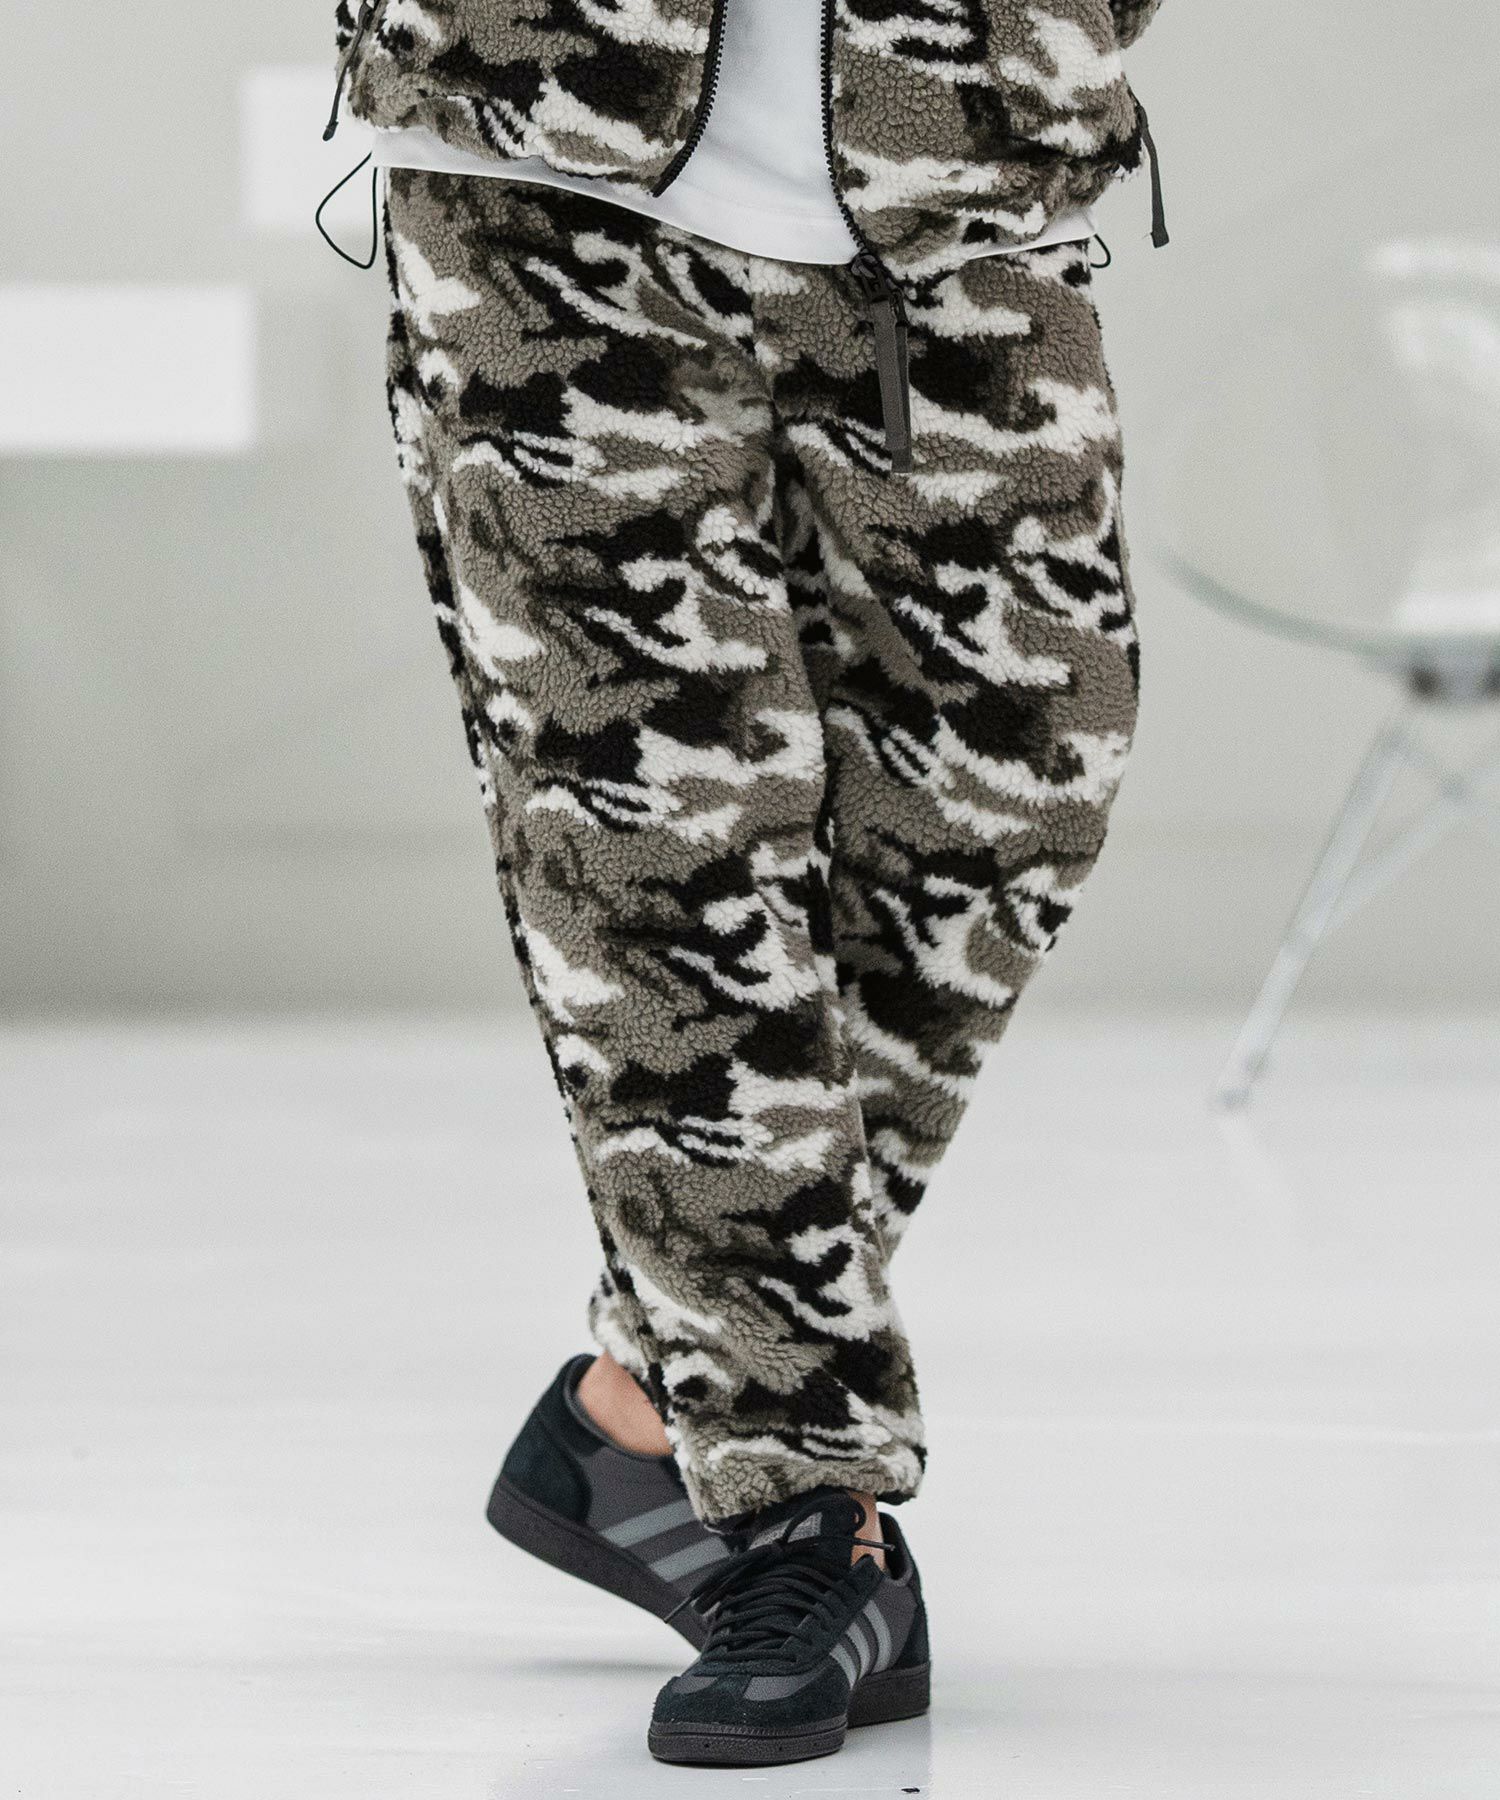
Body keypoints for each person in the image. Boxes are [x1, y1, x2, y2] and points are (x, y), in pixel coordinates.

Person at [325, 0, 1166, 1768]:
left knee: (1023, 775)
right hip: (547, 176)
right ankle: (802, 1501)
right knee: (655, 851)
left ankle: (645, 1405)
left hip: (963, 161)